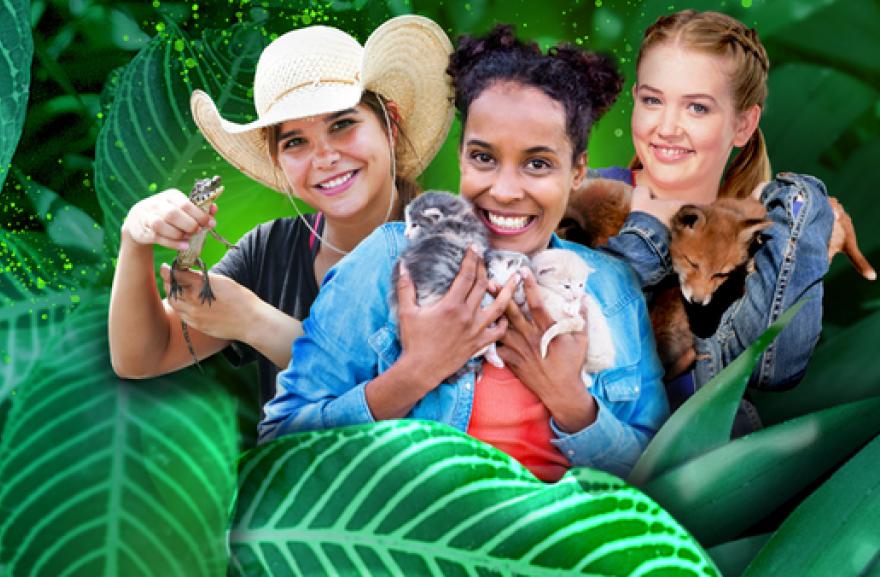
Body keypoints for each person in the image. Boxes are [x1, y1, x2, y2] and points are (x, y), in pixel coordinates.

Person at [260, 25, 669, 481]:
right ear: (461, 156)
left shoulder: (613, 288)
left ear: (577, 171)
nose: (505, 190)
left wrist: (572, 402)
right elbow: (280, 447)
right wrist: (416, 371)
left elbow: (654, 475)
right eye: (483, 158)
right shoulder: (388, 263)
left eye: (538, 164)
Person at [108, 16, 455, 413]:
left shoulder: (450, 245)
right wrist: (134, 240)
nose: (325, 157)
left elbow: (423, 398)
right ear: (277, 161)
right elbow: (141, 357)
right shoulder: (267, 249)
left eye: (342, 124)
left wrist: (255, 321)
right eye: (295, 142)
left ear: (390, 124)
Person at [593, 10, 874, 427]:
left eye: (697, 108)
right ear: (635, 99)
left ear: (743, 124)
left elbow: (775, 367)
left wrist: (802, 246)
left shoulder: (761, 234)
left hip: (691, 466)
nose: (667, 127)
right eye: (653, 100)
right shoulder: (581, 199)